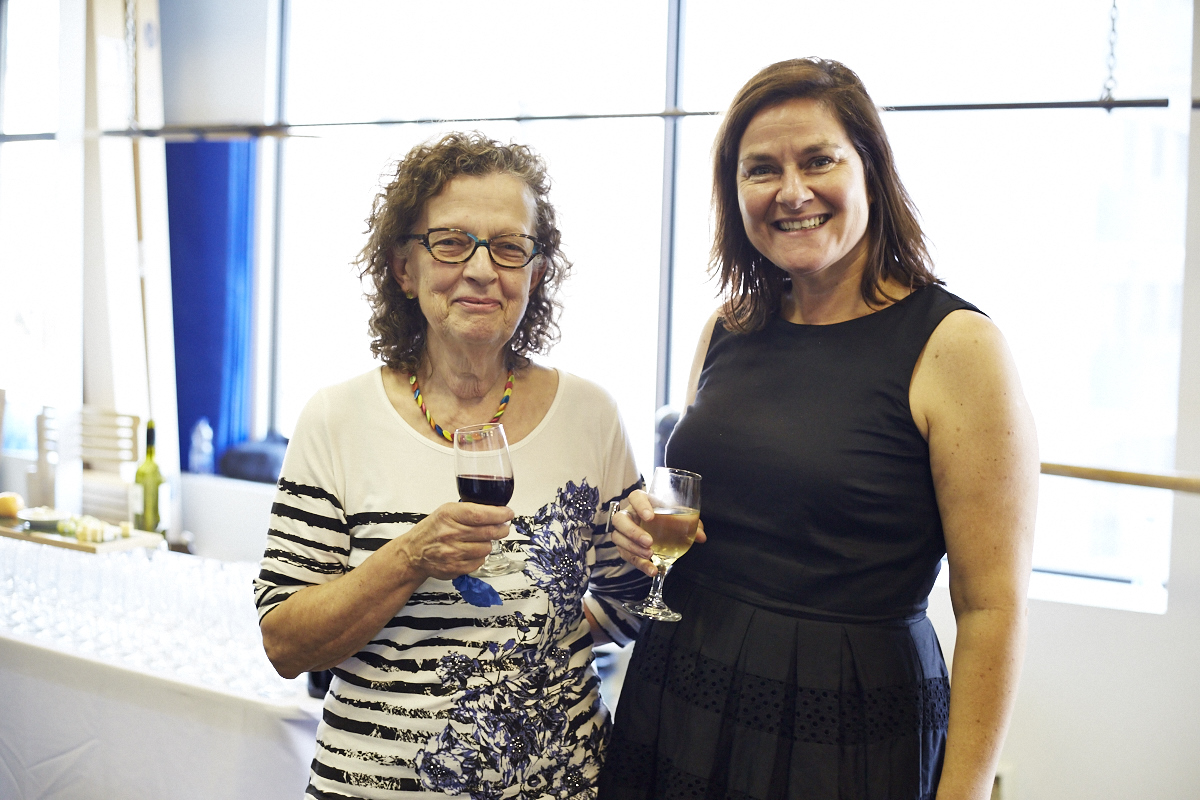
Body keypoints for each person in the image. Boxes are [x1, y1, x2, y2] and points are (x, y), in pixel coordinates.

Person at [600, 58, 1038, 800]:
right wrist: (640, 524)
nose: (791, 191)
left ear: (871, 169)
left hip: (845, 716)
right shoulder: (726, 328)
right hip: (682, 683)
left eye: (819, 160)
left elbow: (991, 608)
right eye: (761, 168)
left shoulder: (958, 347)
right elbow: (714, 503)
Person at [254, 131, 651, 799]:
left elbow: (632, 600)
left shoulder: (591, 415)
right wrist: (411, 555)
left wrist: (536, 641)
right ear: (404, 269)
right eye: (450, 242)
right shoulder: (336, 419)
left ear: (536, 270)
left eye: (508, 246)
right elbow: (287, 646)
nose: (480, 268)